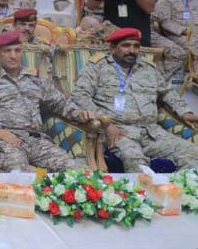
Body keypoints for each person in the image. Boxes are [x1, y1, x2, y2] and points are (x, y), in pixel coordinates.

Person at [0, 30, 97, 172]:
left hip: (36, 140)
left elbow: (59, 102)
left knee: (73, 169)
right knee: (19, 171)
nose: (13, 56)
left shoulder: (35, 77)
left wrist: (79, 113)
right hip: (5, 140)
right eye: (7, 51)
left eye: (17, 50)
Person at [72, 27, 198, 171]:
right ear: (112, 48)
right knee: (136, 162)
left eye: (136, 46)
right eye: (126, 45)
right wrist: (106, 123)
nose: (132, 50)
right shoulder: (97, 67)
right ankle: (143, 186)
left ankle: (176, 185)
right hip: (118, 131)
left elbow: (167, 92)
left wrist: (184, 112)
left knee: (194, 153)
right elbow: (80, 96)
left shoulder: (148, 68)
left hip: (151, 132)